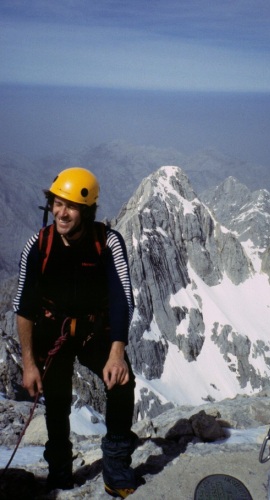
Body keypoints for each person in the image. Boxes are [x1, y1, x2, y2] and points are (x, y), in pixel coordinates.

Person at [13, 167, 138, 498]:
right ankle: (59, 473)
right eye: (56, 203)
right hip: (52, 331)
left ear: (87, 210)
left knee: (122, 383)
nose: (61, 212)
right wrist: (29, 363)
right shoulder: (39, 245)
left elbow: (123, 299)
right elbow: (23, 308)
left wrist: (116, 354)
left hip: (93, 331)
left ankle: (116, 467)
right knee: (55, 404)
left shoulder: (108, 243)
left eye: (70, 206)